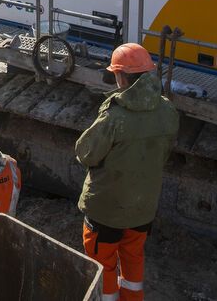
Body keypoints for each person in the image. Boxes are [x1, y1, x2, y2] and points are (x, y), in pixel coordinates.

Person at [76, 43, 179, 301]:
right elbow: (163, 154)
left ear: (121, 77)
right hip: (143, 208)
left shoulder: (115, 116)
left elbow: (86, 153)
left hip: (106, 210)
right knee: (133, 261)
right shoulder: (168, 110)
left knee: (103, 267)